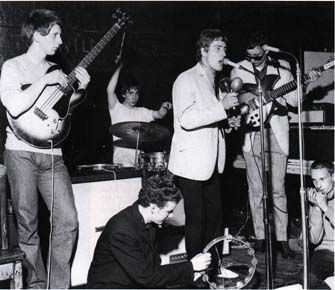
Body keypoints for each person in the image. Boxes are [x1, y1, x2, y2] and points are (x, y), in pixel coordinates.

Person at [0, 9, 90, 288]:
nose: (60, 41)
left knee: (68, 220)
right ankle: (36, 285)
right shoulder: (12, 67)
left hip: (53, 155)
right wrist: (43, 80)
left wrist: (82, 90)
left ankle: (57, 285)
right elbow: (13, 106)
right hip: (20, 153)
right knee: (27, 224)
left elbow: (64, 106)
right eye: (55, 35)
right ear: (37, 36)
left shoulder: (57, 71)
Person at [230, 31, 319, 258]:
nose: (254, 60)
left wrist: (303, 84)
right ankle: (260, 237)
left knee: (278, 190)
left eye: (258, 56)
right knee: (256, 189)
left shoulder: (283, 70)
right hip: (251, 135)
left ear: (266, 49)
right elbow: (230, 99)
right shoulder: (238, 69)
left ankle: (281, 240)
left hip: (277, 134)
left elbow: (295, 102)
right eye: (250, 56)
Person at [168, 29, 241, 260]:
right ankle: (196, 274)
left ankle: (215, 267)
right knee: (197, 219)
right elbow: (187, 119)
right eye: (218, 49)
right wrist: (222, 108)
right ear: (203, 51)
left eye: (225, 49)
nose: (223, 54)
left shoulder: (215, 83)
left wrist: (227, 122)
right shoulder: (186, 79)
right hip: (191, 163)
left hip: (211, 161)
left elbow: (209, 119)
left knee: (216, 217)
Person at [86, 174, 212, 288]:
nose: (171, 216)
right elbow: (146, 277)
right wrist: (191, 267)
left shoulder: (146, 218)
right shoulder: (122, 231)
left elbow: (151, 269)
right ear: (153, 208)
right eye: (169, 211)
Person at [107, 58, 172, 167]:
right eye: (131, 93)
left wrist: (164, 107)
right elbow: (109, 90)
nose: (134, 97)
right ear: (123, 94)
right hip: (122, 156)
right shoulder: (116, 108)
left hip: (139, 156)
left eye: (137, 93)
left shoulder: (142, 111)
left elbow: (159, 115)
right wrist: (119, 67)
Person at [299, 161, 334, 289]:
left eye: (322, 179)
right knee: (307, 279)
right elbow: (314, 239)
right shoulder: (316, 199)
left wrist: (325, 207)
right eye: (314, 181)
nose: (318, 185)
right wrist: (317, 209)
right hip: (326, 252)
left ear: (333, 176)